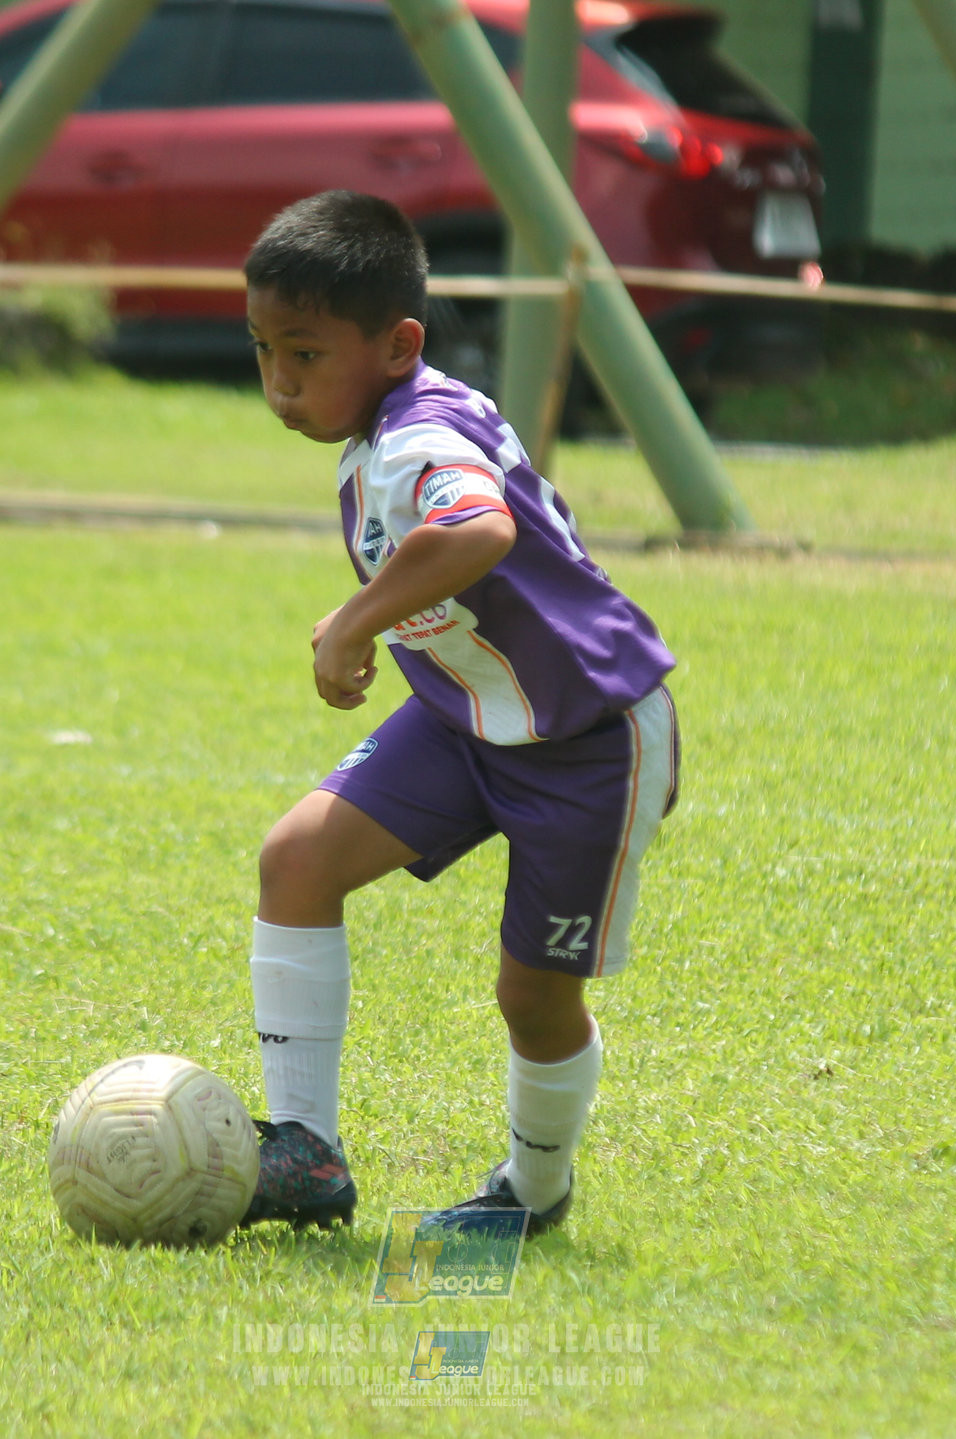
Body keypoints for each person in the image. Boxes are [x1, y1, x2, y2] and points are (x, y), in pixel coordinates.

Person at [238, 191, 677, 1237]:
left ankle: (532, 1190)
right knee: (297, 856)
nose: (279, 384)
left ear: (397, 346)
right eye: (261, 350)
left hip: (586, 740)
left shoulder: (415, 435)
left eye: (303, 354)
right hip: (460, 719)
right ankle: (303, 1149)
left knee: (530, 997)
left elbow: (473, 531)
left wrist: (353, 623)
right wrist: (373, 620)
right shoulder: (394, 421)